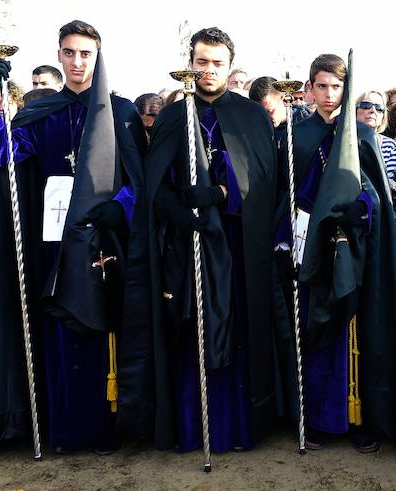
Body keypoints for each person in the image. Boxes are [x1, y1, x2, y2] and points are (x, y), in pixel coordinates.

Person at [0, 20, 147, 463]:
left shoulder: (119, 110)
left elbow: (138, 177)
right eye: (68, 53)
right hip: (52, 241)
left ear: (98, 55)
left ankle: (102, 426)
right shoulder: (42, 111)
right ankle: (61, 427)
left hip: (102, 241)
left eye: (85, 53)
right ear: (59, 54)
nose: (76, 62)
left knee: (95, 328)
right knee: (58, 329)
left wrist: (121, 205)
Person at [129, 26, 294, 454]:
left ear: (229, 66)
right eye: (201, 62)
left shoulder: (251, 115)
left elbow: (263, 181)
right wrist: (177, 211)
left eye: (217, 63)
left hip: (239, 244)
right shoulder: (172, 116)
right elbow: (154, 186)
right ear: (191, 62)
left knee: (236, 327)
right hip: (188, 246)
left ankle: (238, 425)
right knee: (192, 329)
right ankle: (191, 425)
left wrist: (223, 194)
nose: (208, 70)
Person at [274, 52, 396, 461]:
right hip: (308, 242)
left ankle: (361, 418)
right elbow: (281, 197)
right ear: (309, 88)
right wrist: (284, 243)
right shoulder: (293, 135)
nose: (328, 94)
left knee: (355, 329)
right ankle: (320, 418)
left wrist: (365, 207)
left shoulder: (363, 135)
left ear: (346, 89)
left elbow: (378, 195)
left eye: (336, 86)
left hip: (354, 247)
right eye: (320, 85)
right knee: (317, 329)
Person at [355, 90, 396, 177]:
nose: (372, 110)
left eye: (379, 108)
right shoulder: (342, 139)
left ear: (383, 116)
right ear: (355, 110)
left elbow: (387, 181)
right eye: (366, 105)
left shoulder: (390, 146)